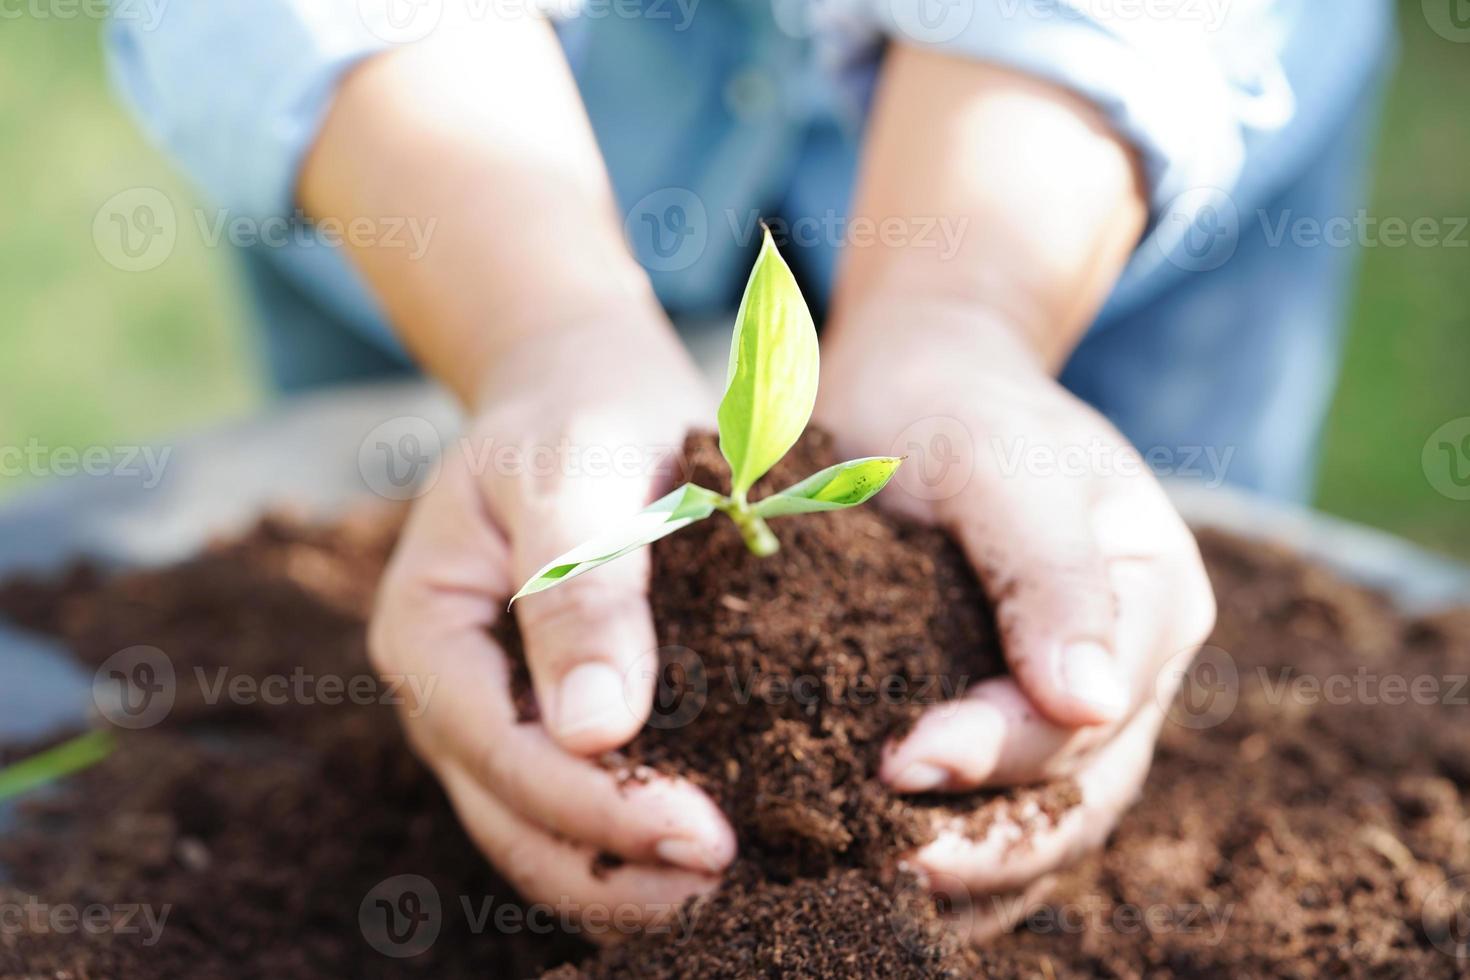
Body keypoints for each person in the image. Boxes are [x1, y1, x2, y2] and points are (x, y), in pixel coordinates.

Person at [106, 0, 1394, 943]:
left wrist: (967, 312)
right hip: (431, 146)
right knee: (470, 544)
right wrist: (536, 335)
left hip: (1080, 149)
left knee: (1079, 558)